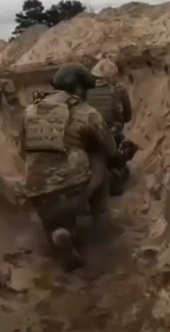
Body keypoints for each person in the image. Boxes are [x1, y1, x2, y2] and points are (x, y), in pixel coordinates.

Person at [19, 63, 118, 271]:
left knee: (50, 210)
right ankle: (99, 224)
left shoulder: (30, 110)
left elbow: (22, 150)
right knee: (99, 162)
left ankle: (57, 235)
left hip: (36, 192)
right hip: (72, 191)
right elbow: (110, 149)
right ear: (80, 89)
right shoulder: (85, 112)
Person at [85, 58, 135, 196]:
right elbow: (127, 117)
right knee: (126, 148)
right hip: (111, 135)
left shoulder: (85, 91)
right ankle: (116, 173)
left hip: (88, 136)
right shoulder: (118, 90)